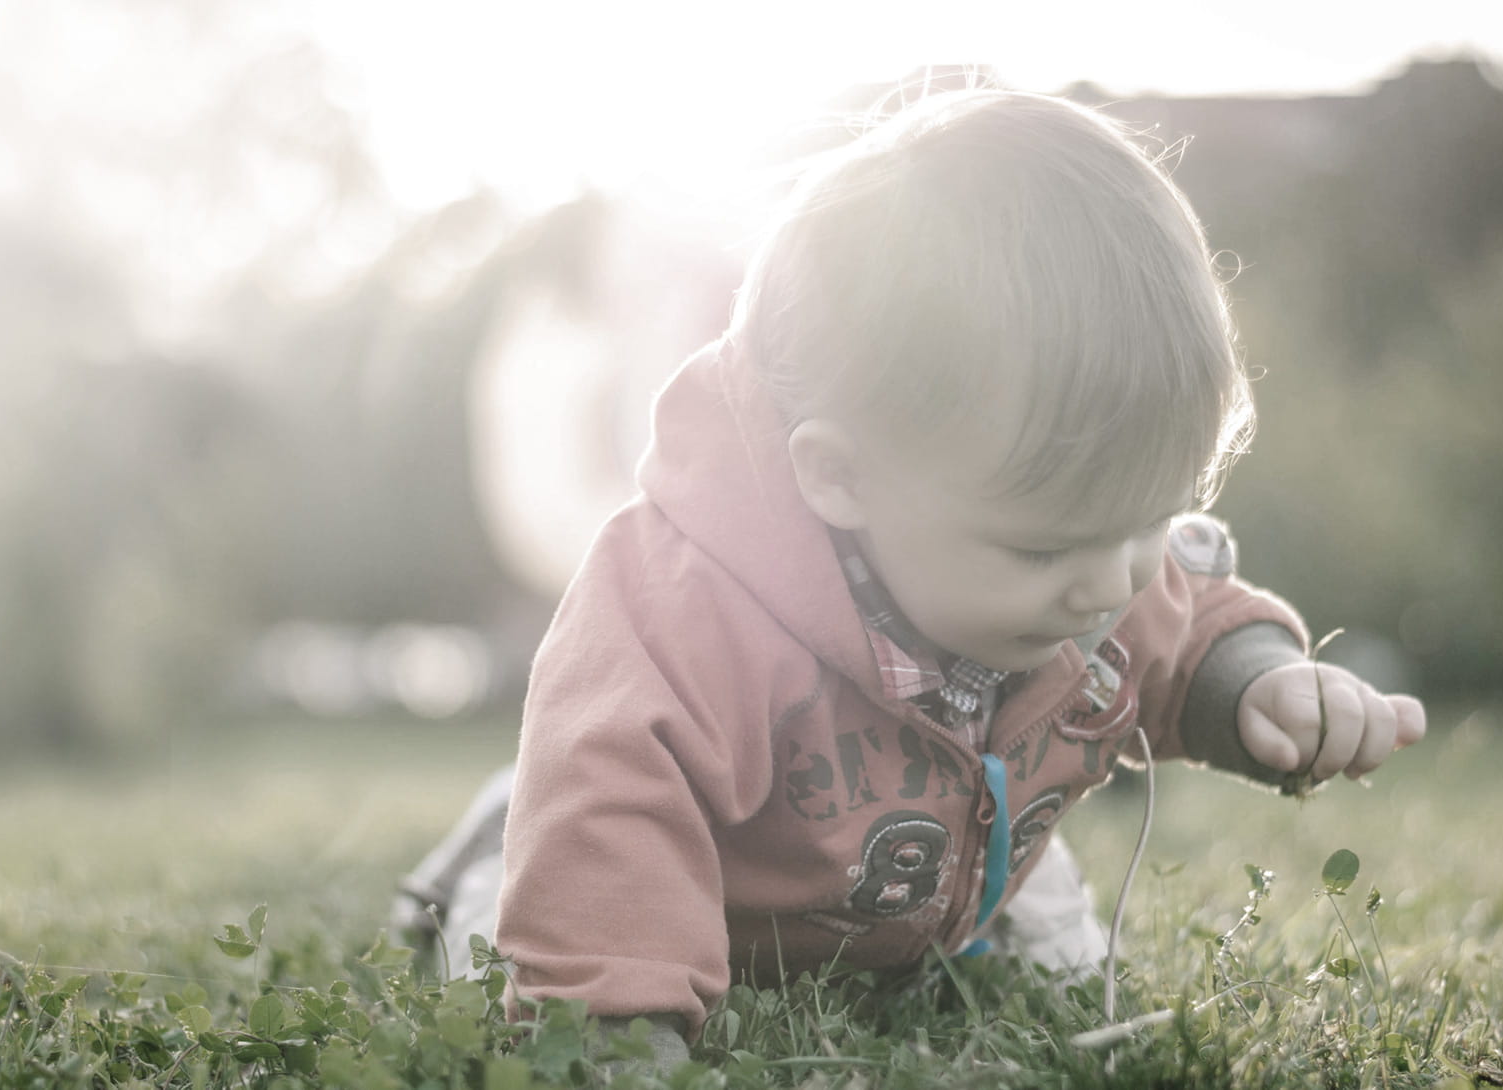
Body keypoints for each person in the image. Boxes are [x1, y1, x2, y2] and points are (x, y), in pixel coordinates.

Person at [392, 86, 1426, 1071]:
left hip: (938, 864)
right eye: (1041, 550)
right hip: (708, 883)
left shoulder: (1084, 552)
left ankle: (961, 913)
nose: (1108, 586)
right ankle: (492, 847)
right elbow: (614, 787)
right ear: (840, 476)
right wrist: (613, 1024)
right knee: (530, 928)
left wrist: (1255, 683)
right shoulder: (685, 606)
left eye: (1151, 522)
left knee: (1050, 957)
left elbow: (1182, 626)